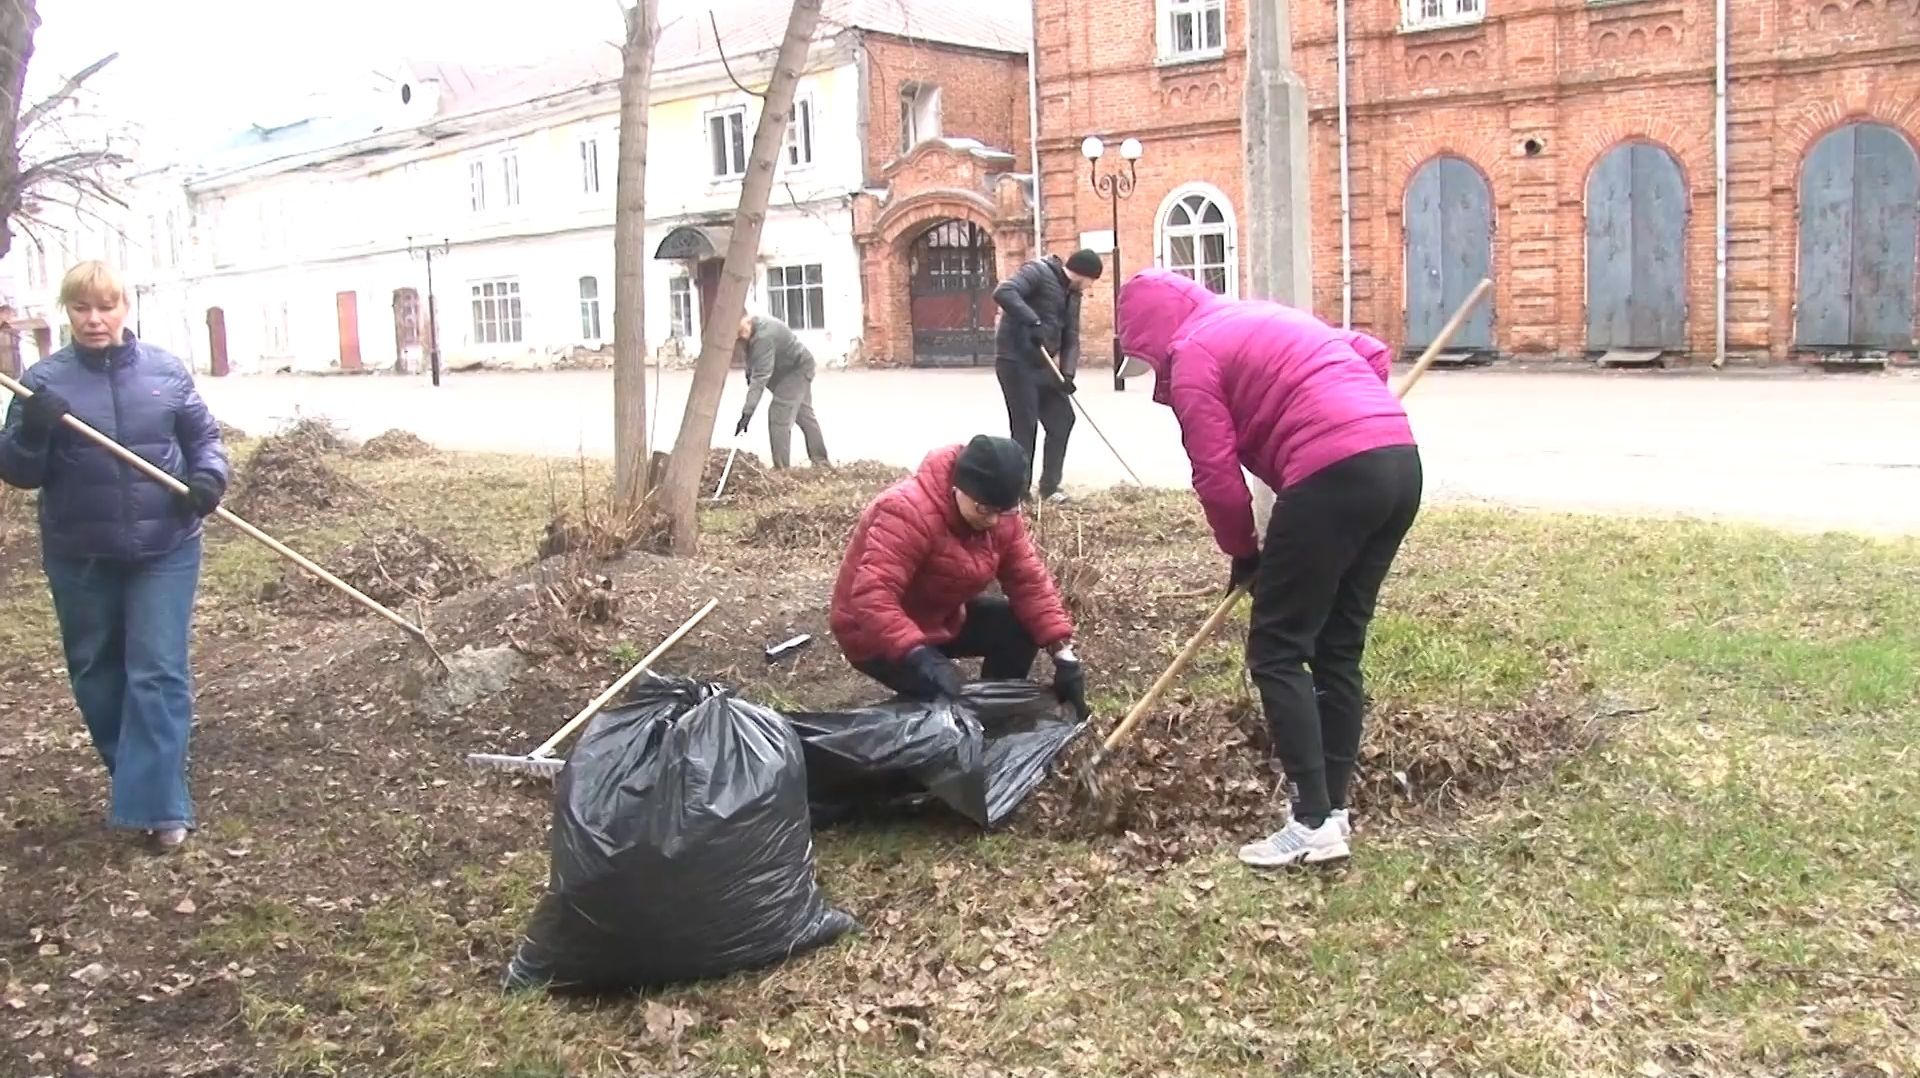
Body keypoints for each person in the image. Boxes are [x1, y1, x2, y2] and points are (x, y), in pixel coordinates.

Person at [1115, 267, 1422, 870]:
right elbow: (1370, 352)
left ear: (1153, 332)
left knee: (1277, 650)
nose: (1156, 372)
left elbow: (1216, 474)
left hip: (1332, 476)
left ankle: (1310, 821)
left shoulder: (1193, 352)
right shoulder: (1259, 316)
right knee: (1337, 647)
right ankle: (1332, 812)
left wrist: (1243, 552)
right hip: (1398, 463)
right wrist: (1357, 418)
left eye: (1146, 359)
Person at [0, 261, 231, 853]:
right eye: (82, 308)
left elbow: (204, 439)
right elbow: (20, 472)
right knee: (97, 674)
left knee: (157, 670)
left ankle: (159, 806)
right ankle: (140, 777)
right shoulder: (41, 383)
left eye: (106, 307)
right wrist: (32, 431)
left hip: (166, 543)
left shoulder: (163, 371)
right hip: (80, 551)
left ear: (124, 309)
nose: (95, 319)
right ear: (68, 312)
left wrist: (208, 478)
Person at [829, 434, 1088, 720]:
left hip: (939, 618)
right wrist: (922, 658)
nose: (992, 521)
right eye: (984, 509)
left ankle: (993, 718)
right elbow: (872, 596)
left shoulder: (1001, 517)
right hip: (873, 634)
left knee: (1019, 626)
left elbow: (1029, 582)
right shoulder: (906, 511)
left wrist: (1063, 655)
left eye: (1004, 510)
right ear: (959, 487)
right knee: (941, 708)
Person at [991, 249, 1102, 505]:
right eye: (1090, 282)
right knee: (1025, 426)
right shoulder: (1038, 272)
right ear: (1083, 274)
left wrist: (1067, 374)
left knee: (1063, 420)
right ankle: (1019, 492)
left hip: (1044, 366)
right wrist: (1033, 322)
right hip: (1015, 361)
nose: (1089, 288)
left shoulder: (1073, 295)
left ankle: (1050, 488)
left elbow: (1071, 337)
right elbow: (1004, 292)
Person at [734, 313, 828, 470]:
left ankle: (782, 469)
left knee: (779, 417)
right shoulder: (751, 332)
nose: (739, 336)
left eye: (740, 331)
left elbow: (760, 376)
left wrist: (747, 413)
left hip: (796, 371)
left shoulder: (764, 337)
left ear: (745, 320)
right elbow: (752, 363)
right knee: (804, 416)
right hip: (789, 370)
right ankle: (821, 462)